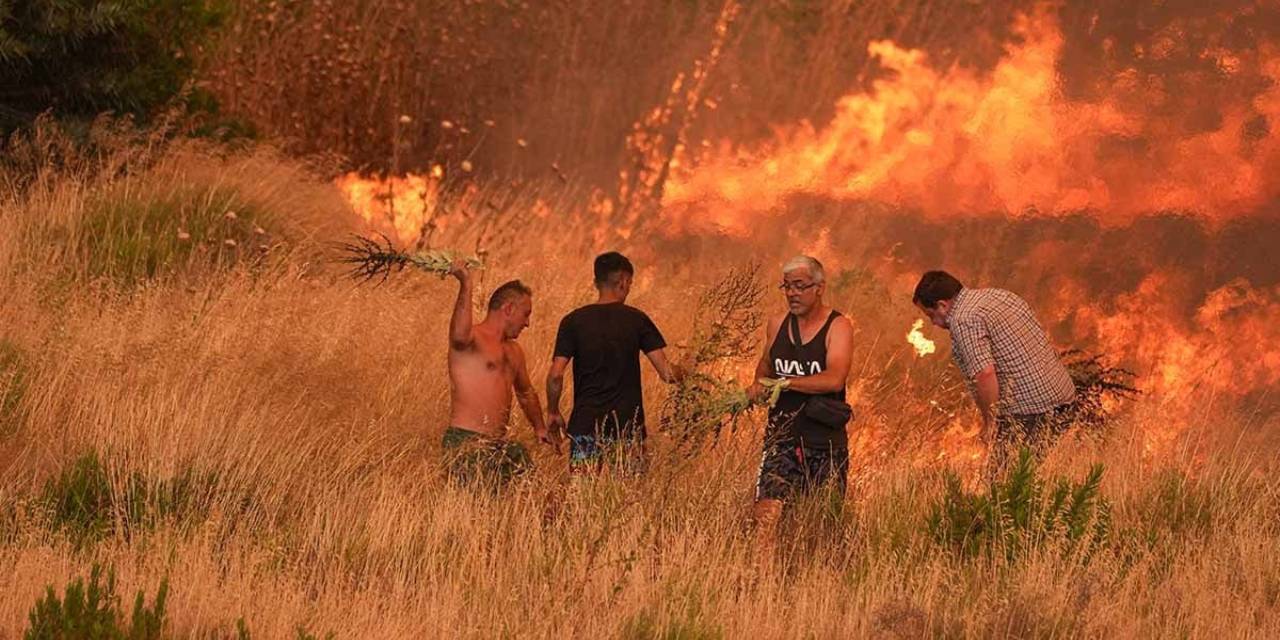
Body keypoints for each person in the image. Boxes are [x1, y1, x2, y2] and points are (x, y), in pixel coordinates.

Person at [912, 270, 1077, 476]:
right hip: (1064, 398)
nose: (933, 324)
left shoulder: (964, 319)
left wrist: (991, 424)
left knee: (1003, 486)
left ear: (942, 305)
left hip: (1031, 411)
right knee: (1045, 478)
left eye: (931, 316)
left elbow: (985, 374)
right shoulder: (1000, 296)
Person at [748, 256, 854, 541]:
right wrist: (758, 383)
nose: (792, 293)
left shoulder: (838, 326)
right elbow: (765, 363)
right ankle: (761, 576)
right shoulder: (776, 324)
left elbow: (834, 378)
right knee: (765, 515)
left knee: (822, 524)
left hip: (824, 443)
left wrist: (786, 384)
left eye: (799, 286)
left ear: (819, 288)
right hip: (780, 439)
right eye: (786, 287)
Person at [545, 252, 681, 473]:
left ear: (596, 282)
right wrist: (690, 368)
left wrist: (552, 411)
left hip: (585, 427)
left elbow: (555, 375)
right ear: (624, 282)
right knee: (630, 494)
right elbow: (667, 373)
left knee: (582, 493)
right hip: (628, 428)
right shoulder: (637, 319)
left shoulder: (572, 321)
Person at [442, 265, 558, 486]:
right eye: (526, 314)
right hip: (467, 441)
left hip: (500, 445)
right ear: (508, 309)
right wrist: (466, 283)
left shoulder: (514, 351)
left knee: (535, 497)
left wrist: (540, 427)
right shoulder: (471, 339)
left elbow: (526, 392)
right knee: (476, 509)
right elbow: (457, 335)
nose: (527, 323)